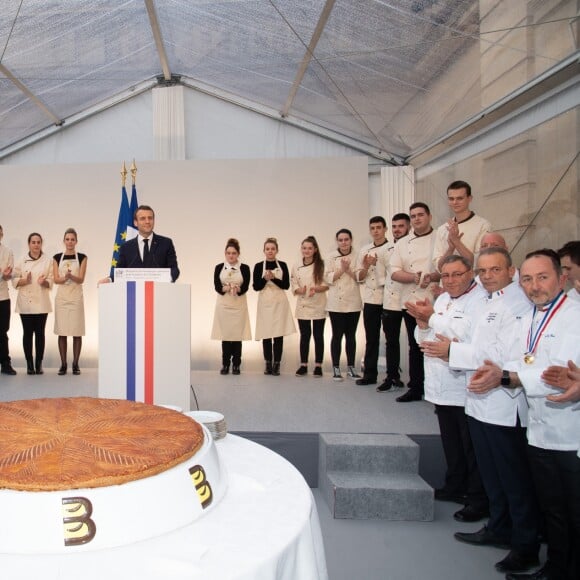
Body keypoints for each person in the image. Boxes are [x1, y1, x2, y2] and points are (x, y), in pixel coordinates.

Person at [426, 247, 539, 576]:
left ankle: (525, 545)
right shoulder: (490, 303)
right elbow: (479, 347)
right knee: (493, 475)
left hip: (504, 404)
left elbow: (499, 355)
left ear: (510, 270)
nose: (488, 276)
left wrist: (452, 350)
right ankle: (499, 527)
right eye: (484, 271)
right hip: (479, 401)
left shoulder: (518, 306)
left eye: (495, 269)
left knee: (513, 479)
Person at [469, 250, 580, 580]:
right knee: (553, 508)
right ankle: (555, 568)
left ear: (561, 277)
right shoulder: (534, 315)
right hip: (540, 428)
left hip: (569, 431)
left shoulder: (574, 316)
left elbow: (555, 373)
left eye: (542, 277)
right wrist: (503, 372)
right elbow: (525, 361)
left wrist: (506, 376)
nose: (534, 286)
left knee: (572, 511)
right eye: (528, 280)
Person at [407, 255, 488, 523]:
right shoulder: (442, 300)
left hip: (465, 386)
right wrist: (422, 325)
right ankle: (454, 485)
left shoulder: (480, 302)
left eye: (457, 274)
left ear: (470, 274)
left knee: (471, 448)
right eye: (446, 275)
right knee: (451, 442)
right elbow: (428, 337)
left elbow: (465, 337)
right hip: (441, 386)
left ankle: (476, 499)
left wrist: (432, 319)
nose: (451, 280)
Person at [388, 203, 438, 402]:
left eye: (420, 215)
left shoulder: (439, 237)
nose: (417, 219)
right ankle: (416, 387)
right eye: (414, 216)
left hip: (437, 300)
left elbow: (447, 266)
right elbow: (394, 271)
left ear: (429, 216)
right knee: (416, 345)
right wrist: (413, 278)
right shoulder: (402, 243)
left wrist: (433, 276)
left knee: (436, 345)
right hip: (411, 301)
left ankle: (435, 389)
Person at [355, 216, 390, 386]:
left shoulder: (393, 248)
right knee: (371, 337)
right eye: (373, 228)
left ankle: (392, 376)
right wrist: (367, 265)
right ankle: (369, 374)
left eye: (378, 227)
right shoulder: (364, 250)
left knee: (391, 339)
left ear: (385, 229)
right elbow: (359, 276)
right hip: (370, 299)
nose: (375, 231)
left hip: (390, 298)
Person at [252, 237, 295, 376]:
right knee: (266, 334)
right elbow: (255, 287)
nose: (270, 251)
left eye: (272, 249)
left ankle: (277, 364)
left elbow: (286, 285)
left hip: (279, 303)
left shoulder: (282, 264)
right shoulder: (259, 266)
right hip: (265, 303)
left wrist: (274, 278)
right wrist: (265, 279)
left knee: (278, 335)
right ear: (264, 251)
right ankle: (268, 364)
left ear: (277, 250)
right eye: (267, 249)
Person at [12, 233, 54, 375]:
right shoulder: (21, 260)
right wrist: (25, 281)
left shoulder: (48, 260)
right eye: (33, 242)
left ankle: (39, 364)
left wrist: (45, 282)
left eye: (38, 242)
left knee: (40, 333)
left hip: (41, 302)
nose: (36, 245)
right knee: (28, 333)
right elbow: (14, 279)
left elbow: (52, 279)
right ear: (29, 244)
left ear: (41, 244)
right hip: (25, 302)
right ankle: (29, 364)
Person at [378, 212, 411, 392]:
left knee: (415, 343)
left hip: (412, 298)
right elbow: (381, 275)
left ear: (408, 227)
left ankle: (416, 383)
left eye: (401, 226)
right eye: (395, 227)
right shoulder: (386, 249)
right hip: (391, 301)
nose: (397, 230)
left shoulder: (415, 247)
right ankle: (392, 377)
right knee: (390, 341)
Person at [325, 228, 362, 381]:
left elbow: (360, 277)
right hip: (336, 303)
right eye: (340, 240)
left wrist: (349, 270)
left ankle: (351, 367)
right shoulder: (330, 257)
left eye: (346, 239)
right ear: (337, 241)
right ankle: (336, 367)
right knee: (337, 335)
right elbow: (328, 278)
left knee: (351, 336)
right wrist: (342, 269)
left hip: (353, 301)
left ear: (351, 240)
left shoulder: (358, 255)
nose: (344, 242)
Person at [211, 238, 251, 375]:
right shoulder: (218, 267)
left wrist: (237, 289)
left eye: (234, 253)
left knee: (237, 337)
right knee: (226, 336)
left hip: (239, 305)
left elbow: (245, 287)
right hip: (224, 306)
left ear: (238, 254)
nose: (231, 255)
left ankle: (236, 365)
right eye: (228, 253)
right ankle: (225, 364)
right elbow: (217, 286)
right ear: (225, 254)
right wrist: (227, 288)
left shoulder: (245, 268)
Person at [433, 180, 491, 272]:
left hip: (471, 283)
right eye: (451, 199)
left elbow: (477, 263)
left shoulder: (483, 225)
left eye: (460, 198)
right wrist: (451, 248)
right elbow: (439, 267)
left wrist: (456, 241)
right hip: (447, 283)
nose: (455, 202)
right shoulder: (442, 229)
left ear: (470, 198)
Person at [291, 236, 328, 378]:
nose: (306, 251)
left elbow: (326, 284)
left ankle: (318, 365)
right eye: (304, 248)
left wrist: (316, 289)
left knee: (318, 335)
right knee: (304, 335)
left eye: (310, 248)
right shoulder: (296, 264)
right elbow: (293, 280)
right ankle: (303, 365)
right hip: (303, 304)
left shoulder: (322, 265)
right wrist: (297, 290)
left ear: (315, 250)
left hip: (318, 303)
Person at [53, 228, 87, 375]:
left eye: (72, 239)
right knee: (62, 332)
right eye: (67, 239)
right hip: (62, 298)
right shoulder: (56, 257)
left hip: (76, 298)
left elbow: (81, 279)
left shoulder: (82, 257)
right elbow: (55, 279)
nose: (70, 242)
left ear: (76, 241)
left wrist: (71, 277)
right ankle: (63, 364)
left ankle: (75, 364)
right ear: (64, 241)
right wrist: (65, 277)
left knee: (76, 331)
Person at [115, 205, 180, 282]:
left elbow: (174, 269)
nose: (147, 221)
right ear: (135, 222)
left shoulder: (166, 243)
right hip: (134, 292)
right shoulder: (126, 247)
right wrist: (109, 279)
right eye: (143, 218)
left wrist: (166, 279)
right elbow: (119, 272)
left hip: (159, 290)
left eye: (150, 218)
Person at [0, 225, 16, 375]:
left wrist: (6, 275)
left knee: (3, 331)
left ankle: (5, 363)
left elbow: (10, 274)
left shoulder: (8, 252)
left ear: (2, 234)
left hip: (3, 297)